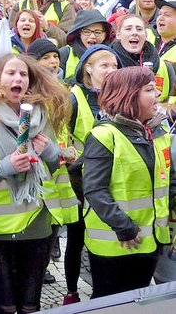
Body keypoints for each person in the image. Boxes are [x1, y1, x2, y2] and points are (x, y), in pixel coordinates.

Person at [0, 54, 69, 314]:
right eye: (10, 73)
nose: (18, 78)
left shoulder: (40, 117)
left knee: (31, 305)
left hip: (36, 224)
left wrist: (52, 153)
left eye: (23, 74)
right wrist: (4, 168)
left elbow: (53, 168)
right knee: (6, 306)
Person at [82, 67, 176, 298]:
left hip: (151, 239)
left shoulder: (158, 131)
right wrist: (125, 227)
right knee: (109, 304)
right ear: (129, 94)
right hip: (116, 243)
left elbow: (169, 180)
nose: (158, 95)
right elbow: (95, 190)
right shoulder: (105, 135)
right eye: (150, 89)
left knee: (138, 302)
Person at [57, 9, 111, 80]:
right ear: (79, 33)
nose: (92, 36)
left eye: (98, 32)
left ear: (105, 35)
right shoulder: (65, 54)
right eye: (87, 32)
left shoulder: (112, 56)